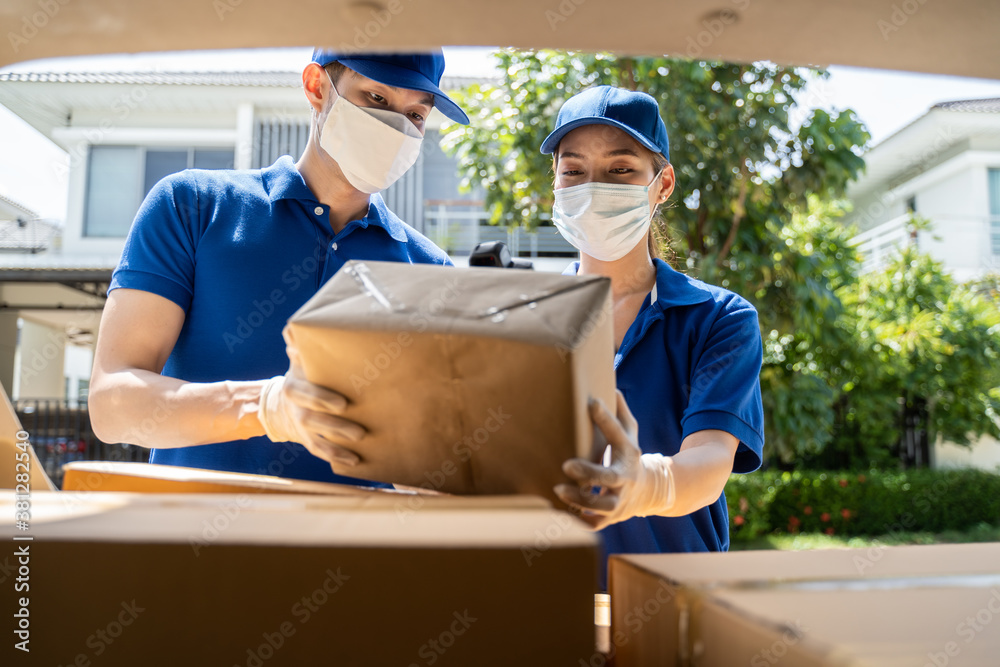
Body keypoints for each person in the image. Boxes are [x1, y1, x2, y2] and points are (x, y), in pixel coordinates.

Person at [89, 50, 470, 485]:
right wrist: (268, 406)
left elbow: (437, 447)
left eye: (415, 116)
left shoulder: (428, 267)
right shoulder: (193, 206)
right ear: (316, 87)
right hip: (194, 544)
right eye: (377, 98)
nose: (397, 128)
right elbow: (112, 406)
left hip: (362, 549)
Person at [545, 86, 764, 584]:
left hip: (676, 603)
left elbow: (710, 461)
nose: (593, 187)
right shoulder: (525, 320)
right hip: (552, 601)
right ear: (555, 185)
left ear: (662, 185)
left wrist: (646, 486)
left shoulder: (717, 318)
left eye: (621, 169)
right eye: (574, 171)